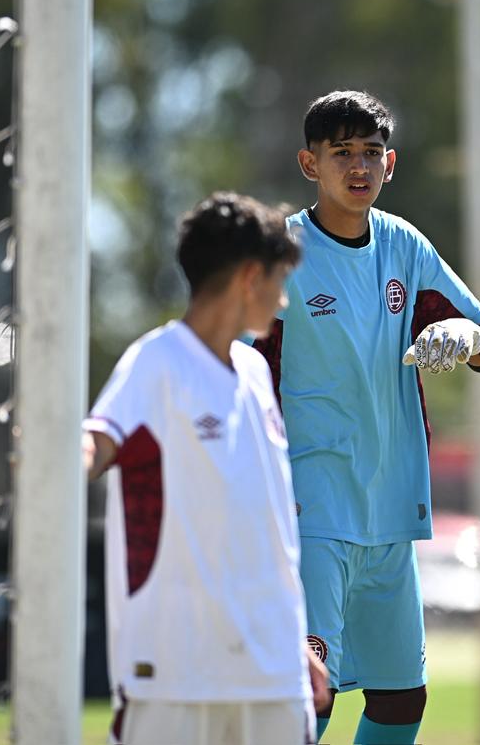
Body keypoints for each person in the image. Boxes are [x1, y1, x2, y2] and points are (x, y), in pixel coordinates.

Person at [253, 90, 480, 744]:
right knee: (308, 694)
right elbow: (237, 366)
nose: (358, 167)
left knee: (401, 700)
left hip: (389, 510)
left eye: (370, 153)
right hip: (311, 507)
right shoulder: (282, 253)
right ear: (310, 164)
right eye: (342, 153)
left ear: (390, 164)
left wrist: (468, 337)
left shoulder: (405, 246)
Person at [84, 192, 329, 745]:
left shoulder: (256, 371)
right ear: (249, 277)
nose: (283, 300)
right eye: (278, 281)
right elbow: (94, 445)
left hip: (273, 674)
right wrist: (55, 458)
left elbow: (263, 524)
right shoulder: (156, 363)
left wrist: (293, 642)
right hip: (175, 676)